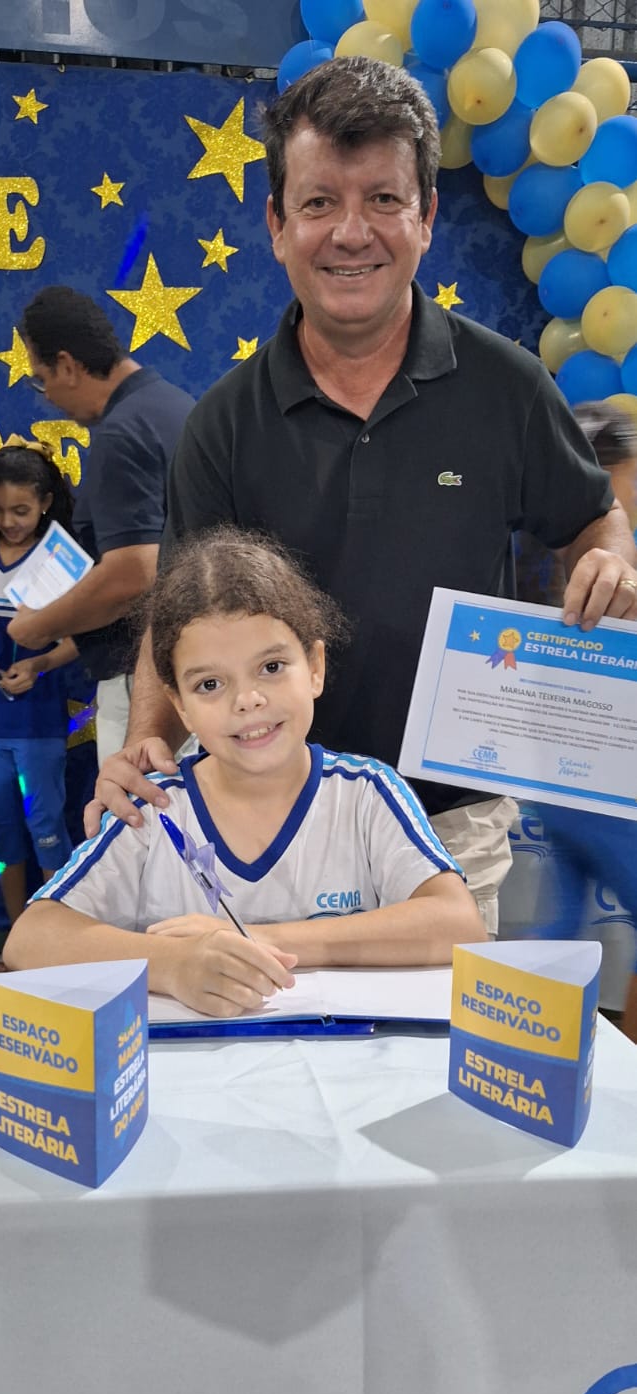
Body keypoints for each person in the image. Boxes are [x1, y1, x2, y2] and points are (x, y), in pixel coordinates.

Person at [86, 56, 637, 937]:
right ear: (277, 224)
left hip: (450, 829)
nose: (352, 232)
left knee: (444, 1032)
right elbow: (178, 613)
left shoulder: (507, 387)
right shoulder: (224, 422)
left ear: (426, 219)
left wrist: (610, 556)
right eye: (319, 202)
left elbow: (592, 519)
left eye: (384, 199)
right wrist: (147, 736)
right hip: (272, 827)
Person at [4, 528, 485, 1014]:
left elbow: (458, 923)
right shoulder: (154, 809)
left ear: (315, 668)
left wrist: (252, 940)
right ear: (180, 705)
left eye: (271, 667)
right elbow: (30, 938)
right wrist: (171, 963)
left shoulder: (367, 794)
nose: (247, 699)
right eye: (210, 684)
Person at [6, 286, 194, 765]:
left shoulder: (121, 433)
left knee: (139, 811)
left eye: (42, 380)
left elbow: (133, 575)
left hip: (143, 684)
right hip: (193, 667)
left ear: (67, 365)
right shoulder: (174, 405)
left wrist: (39, 626)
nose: (48, 398)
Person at [533, 401, 637, 1044]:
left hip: (564, 782)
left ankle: (529, 1049)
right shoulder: (606, 565)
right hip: (602, 784)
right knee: (558, 935)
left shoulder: (552, 554)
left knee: (557, 935)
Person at [0, 438, 78, 931]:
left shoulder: (60, 560)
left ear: (45, 502)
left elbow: (81, 640)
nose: (9, 521)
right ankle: (16, 935)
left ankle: (57, 936)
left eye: (21, 510)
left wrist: (40, 664)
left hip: (38, 724)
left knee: (47, 826)